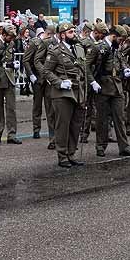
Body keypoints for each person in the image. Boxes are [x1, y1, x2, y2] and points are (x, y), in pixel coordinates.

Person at [86, 23, 130, 158]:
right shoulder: (98, 47)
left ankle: (124, 146)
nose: (121, 43)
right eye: (120, 40)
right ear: (114, 36)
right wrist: (92, 82)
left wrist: (127, 69)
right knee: (102, 119)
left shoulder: (116, 48)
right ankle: (100, 146)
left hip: (117, 86)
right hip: (103, 86)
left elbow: (121, 61)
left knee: (120, 118)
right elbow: (86, 66)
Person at [43, 22, 90, 167]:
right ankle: (62, 156)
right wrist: (59, 82)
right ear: (62, 35)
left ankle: (71, 153)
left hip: (78, 90)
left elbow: (84, 69)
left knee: (76, 125)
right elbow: (46, 71)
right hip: (63, 93)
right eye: (70, 32)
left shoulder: (79, 49)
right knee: (63, 125)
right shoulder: (55, 51)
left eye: (74, 31)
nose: (74, 34)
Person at [23, 25, 55, 141]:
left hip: (48, 78)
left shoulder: (51, 44)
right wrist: (31, 75)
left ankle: (52, 132)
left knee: (50, 106)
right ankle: (36, 129)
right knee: (37, 105)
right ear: (48, 34)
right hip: (37, 77)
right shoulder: (35, 43)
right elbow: (26, 60)